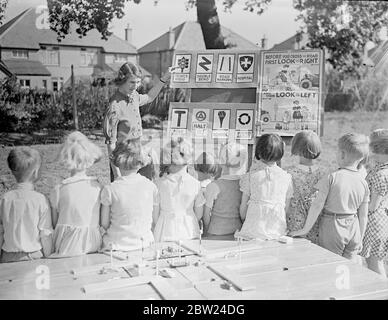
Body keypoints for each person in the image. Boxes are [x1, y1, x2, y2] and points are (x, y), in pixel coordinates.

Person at [290, 133, 370, 261]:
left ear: (342, 154)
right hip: (354, 227)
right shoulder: (363, 182)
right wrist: (360, 238)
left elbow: (317, 204)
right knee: (348, 267)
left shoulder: (332, 177)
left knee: (330, 264)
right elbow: (363, 215)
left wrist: (305, 229)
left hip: (333, 226)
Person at [103, 62, 172, 182]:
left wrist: (164, 79)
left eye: (138, 82)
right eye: (132, 82)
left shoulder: (134, 96)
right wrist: (117, 174)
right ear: (122, 80)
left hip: (137, 153)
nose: (135, 86)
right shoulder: (114, 107)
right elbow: (111, 145)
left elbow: (150, 97)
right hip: (123, 161)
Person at [50, 131, 103, 257]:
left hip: (67, 247)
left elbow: (54, 223)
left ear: (65, 157)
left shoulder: (58, 189)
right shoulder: (98, 187)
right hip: (93, 244)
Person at [100, 138, 157, 251]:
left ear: (117, 160)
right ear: (141, 161)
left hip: (115, 245)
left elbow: (104, 224)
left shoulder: (110, 189)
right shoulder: (151, 187)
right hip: (144, 243)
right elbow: (154, 220)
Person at [236, 134, 293, 240]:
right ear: (281, 153)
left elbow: (243, 206)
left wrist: (245, 221)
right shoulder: (286, 177)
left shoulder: (251, 176)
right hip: (277, 228)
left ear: (258, 151)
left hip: (253, 227)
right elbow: (286, 208)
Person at [0, 147, 53, 263]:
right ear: (35, 172)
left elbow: (1, 231)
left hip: (7, 256)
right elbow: (45, 234)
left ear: (13, 171)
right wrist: (49, 257)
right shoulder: (40, 200)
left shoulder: (5, 199)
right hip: (34, 256)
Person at [153, 137, 205, 242]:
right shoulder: (195, 184)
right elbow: (199, 214)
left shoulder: (158, 184)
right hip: (189, 230)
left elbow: (155, 215)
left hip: (165, 230)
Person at [285, 130, 326, 244]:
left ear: (296, 148)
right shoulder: (324, 172)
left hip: (294, 222)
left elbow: (286, 201)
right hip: (316, 221)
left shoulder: (289, 173)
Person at [203, 143, 247, 237]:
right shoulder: (244, 184)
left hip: (215, 232)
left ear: (221, 161)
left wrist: (206, 232)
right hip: (237, 233)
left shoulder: (214, 186)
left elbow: (206, 214)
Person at [360, 129, 388, 277]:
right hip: (383, 221)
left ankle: (382, 292)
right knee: (377, 261)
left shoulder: (379, 175)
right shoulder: (383, 170)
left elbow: (372, 206)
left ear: (376, 150)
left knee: (374, 263)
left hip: (374, 223)